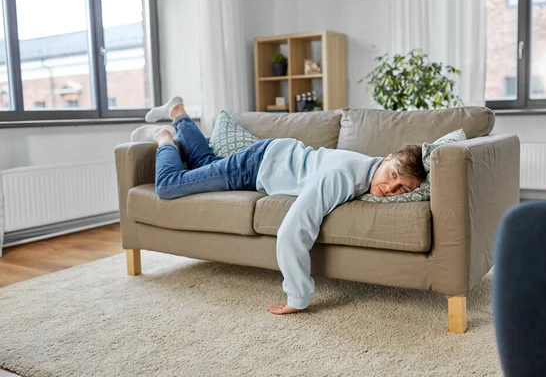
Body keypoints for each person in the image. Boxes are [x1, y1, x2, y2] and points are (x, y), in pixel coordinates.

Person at [131, 97, 427, 315]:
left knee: (206, 163)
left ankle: (178, 111)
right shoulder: (343, 177)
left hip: (268, 156)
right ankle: (165, 137)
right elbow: (293, 230)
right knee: (169, 185)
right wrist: (298, 297)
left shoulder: (368, 169)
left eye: (403, 189)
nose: (391, 189)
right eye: (392, 176)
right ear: (387, 159)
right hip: (254, 166)